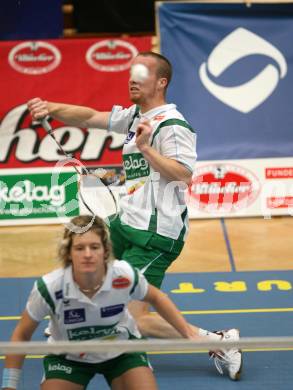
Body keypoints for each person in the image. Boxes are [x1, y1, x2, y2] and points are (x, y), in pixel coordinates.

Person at [27, 51, 242, 379]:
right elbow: (89, 117)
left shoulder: (172, 125)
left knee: (137, 318)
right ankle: (71, 322)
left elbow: (183, 174)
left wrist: (146, 149)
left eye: (141, 73)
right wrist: (51, 108)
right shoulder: (135, 117)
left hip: (155, 235)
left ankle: (220, 342)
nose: (132, 79)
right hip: (126, 221)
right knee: (85, 262)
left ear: (161, 82)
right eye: (131, 72)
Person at [2, 215, 240, 389]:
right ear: (69, 253)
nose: (87, 254)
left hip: (121, 351)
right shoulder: (49, 287)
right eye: (80, 248)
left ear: (105, 250)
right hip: (69, 357)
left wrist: (188, 333)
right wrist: (9, 386)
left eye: (94, 247)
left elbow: (157, 297)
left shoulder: (123, 275)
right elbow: (21, 336)